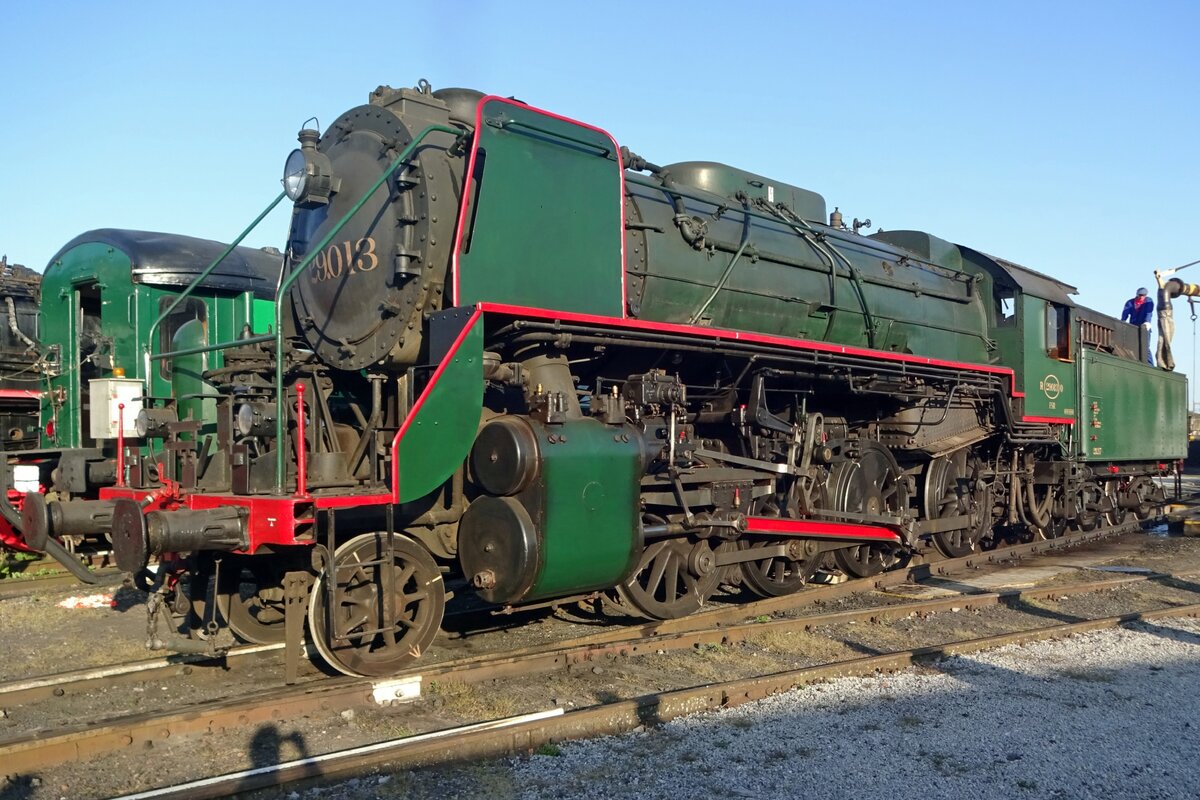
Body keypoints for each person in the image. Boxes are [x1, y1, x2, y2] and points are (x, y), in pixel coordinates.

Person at [1121, 287, 1155, 364]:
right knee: (1132, 345)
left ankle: (1150, 364)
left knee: (1145, 346)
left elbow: (1149, 312)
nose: (1142, 296)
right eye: (1140, 295)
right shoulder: (1130, 302)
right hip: (1133, 326)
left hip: (1144, 326)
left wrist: (1147, 322)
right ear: (1137, 294)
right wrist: (1122, 322)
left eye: (1144, 295)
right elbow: (1125, 314)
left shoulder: (1148, 301)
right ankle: (1135, 362)